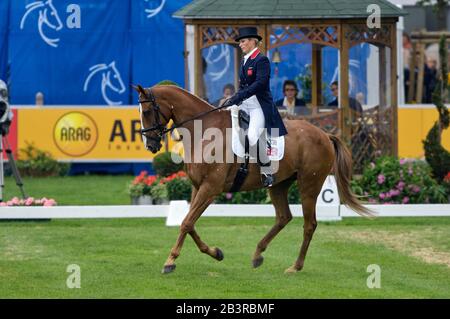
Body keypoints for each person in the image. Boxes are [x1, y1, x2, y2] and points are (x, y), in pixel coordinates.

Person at [222, 26, 288, 187]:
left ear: (253, 41)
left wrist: (238, 96)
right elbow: (244, 86)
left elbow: (260, 84)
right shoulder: (245, 60)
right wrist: (234, 100)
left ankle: (267, 171)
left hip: (258, 107)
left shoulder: (261, 60)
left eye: (243, 41)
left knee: (251, 137)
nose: (240, 44)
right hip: (244, 104)